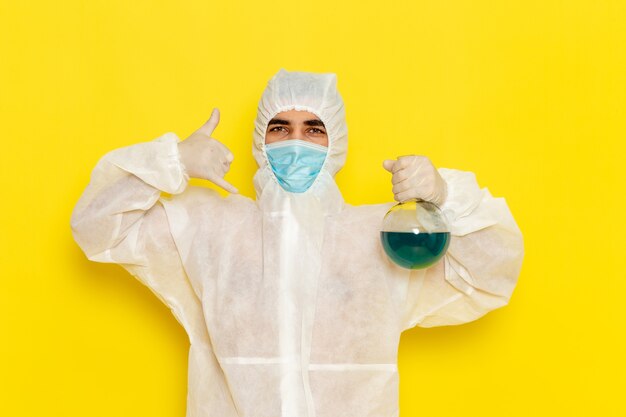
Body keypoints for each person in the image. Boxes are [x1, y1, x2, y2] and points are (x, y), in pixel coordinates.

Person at [70, 69, 524, 417]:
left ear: (336, 143)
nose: (296, 142)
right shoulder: (209, 227)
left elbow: (489, 272)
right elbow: (98, 227)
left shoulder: (382, 235)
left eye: (314, 129)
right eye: (280, 128)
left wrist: (445, 197)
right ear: (259, 140)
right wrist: (173, 162)